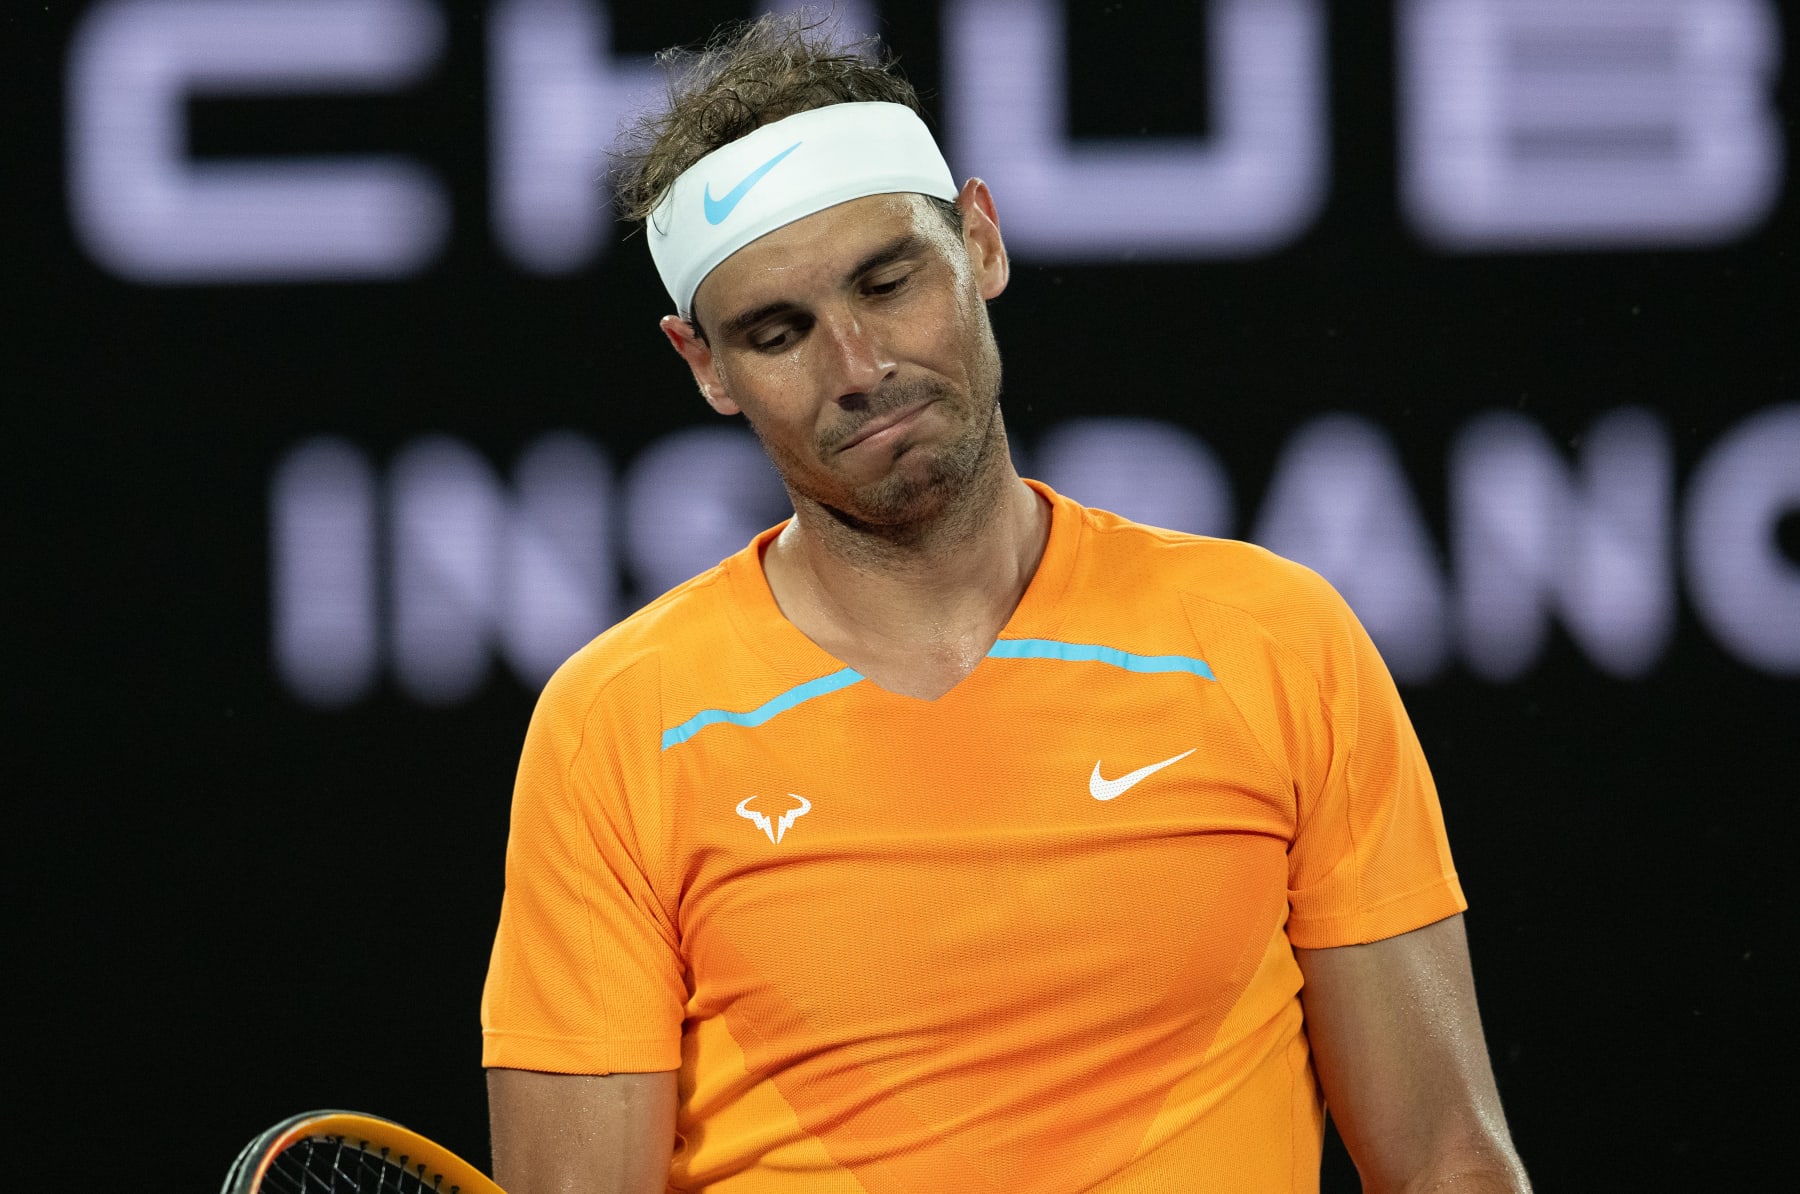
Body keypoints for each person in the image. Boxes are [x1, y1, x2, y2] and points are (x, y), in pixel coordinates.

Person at [481, 13, 1530, 1193]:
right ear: (705, 366)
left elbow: (1447, 1163)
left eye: (888, 280)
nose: (859, 365)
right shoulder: (618, 725)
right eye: (780, 334)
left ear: (979, 242)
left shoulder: (1273, 642)